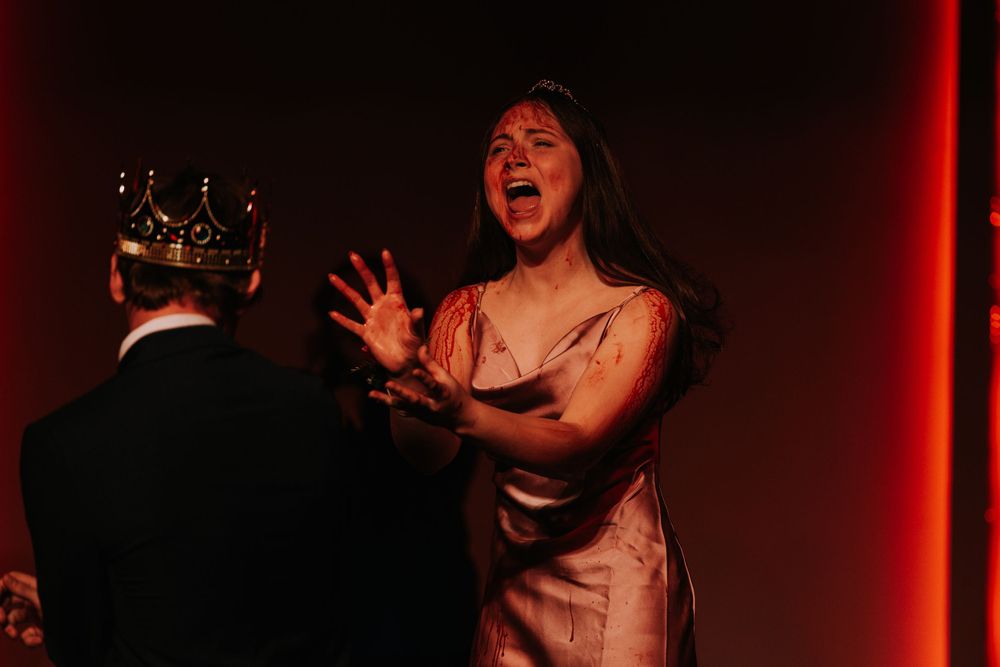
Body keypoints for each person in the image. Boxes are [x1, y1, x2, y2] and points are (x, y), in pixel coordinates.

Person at [329, 81, 724, 666]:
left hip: (622, 587)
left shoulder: (643, 309)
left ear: (588, 172)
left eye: (540, 142)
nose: (515, 157)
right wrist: (409, 375)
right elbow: (429, 454)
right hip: (517, 585)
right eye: (499, 148)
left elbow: (574, 446)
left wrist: (462, 410)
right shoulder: (465, 310)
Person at [5, 165, 347, 665]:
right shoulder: (312, 407)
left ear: (116, 277)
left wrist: (66, 615)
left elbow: (84, 649)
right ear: (250, 284)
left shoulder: (61, 443)